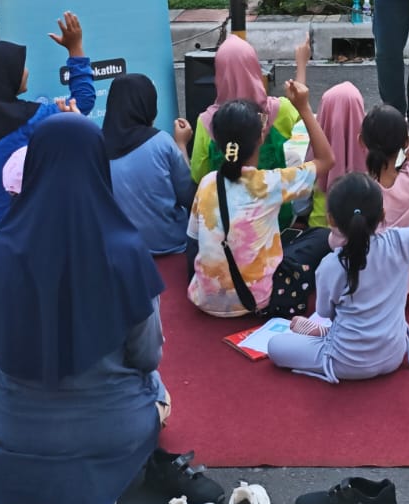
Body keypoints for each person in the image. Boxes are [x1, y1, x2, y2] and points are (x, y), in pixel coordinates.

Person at [0, 116, 169, 504]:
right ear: (99, 165)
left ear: (35, 164)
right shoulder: (126, 250)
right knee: (159, 392)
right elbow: (147, 356)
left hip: (11, 423)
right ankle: (97, 482)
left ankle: (12, 472)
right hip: (112, 424)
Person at [268, 157, 409, 383]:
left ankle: (322, 335)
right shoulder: (399, 242)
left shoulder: (330, 265)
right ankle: (324, 334)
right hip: (394, 354)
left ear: (331, 220)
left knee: (275, 345)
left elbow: (325, 313)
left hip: (344, 362)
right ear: (382, 214)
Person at [186, 83, 335, 318]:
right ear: (260, 139)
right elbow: (326, 160)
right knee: (322, 236)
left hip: (204, 299)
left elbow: (193, 239)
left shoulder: (207, 183)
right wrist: (304, 108)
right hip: (255, 299)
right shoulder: (269, 184)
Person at [331, 36, 409, 304]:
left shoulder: (352, 193)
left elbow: (334, 242)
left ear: (360, 142)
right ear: (405, 143)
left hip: (363, 290)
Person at [0, 14, 93, 225]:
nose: (26, 71)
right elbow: (82, 102)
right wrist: (75, 49)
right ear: (2, 75)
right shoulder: (30, 119)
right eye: (20, 66)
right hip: (2, 231)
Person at [103, 73, 196, 256]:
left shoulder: (96, 146)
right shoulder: (162, 143)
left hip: (120, 252)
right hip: (170, 246)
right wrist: (181, 145)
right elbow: (189, 197)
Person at [188, 35, 302, 182]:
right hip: (274, 194)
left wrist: (181, 145)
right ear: (254, 68)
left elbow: (198, 175)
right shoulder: (278, 109)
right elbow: (301, 106)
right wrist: (301, 64)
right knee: (294, 158)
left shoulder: (206, 121)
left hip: (222, 196)